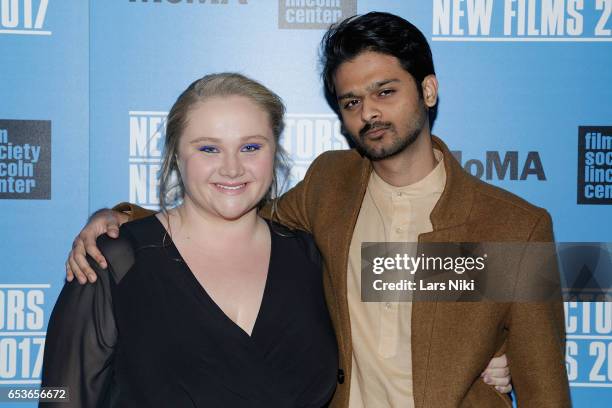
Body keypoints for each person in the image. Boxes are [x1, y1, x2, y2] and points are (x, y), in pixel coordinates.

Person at [61, 13, 548, 408]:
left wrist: (488, 351)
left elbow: (544, 385)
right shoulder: (329, 188)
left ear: (428, 91)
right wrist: (118, 219)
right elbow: (230, 209)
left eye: (386, 91)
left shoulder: (513, 227)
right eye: (351, 101)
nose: (369, 113)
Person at [41, 73, 339, 407]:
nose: (231, 168)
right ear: (176, 155)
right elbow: (62, 398)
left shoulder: (310, 257)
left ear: (274, 152)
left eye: (251, 147)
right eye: (209, 149)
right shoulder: (113, 259)